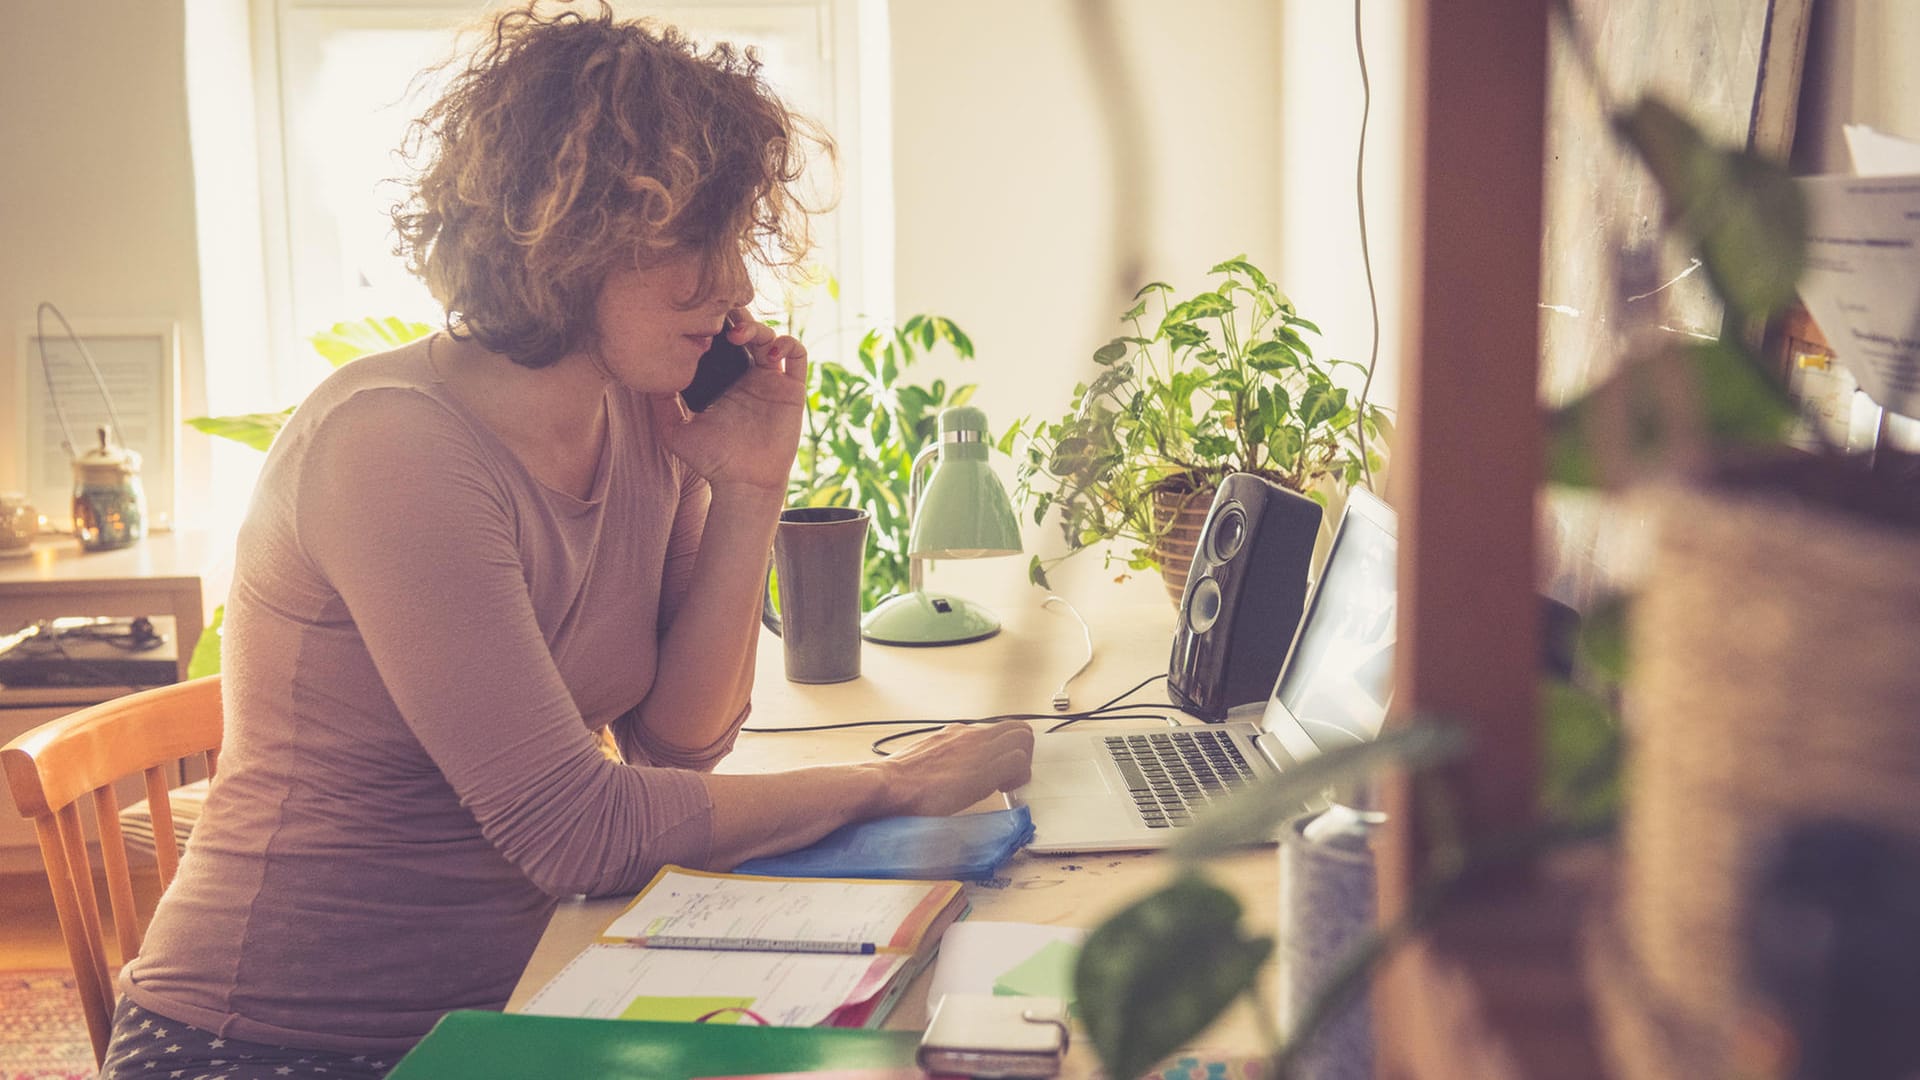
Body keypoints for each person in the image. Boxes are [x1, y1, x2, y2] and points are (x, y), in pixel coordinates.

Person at [100, 6, 1033, 1077]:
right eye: (692, 240)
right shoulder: (394, 447)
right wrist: (888, 785)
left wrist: (748, 489)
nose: (732, 284)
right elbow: (577, 830)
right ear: (563, 235)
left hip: (524, 996)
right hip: (280, 1041)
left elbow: (679, 744)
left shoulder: (639, 411)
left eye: (734, 240)